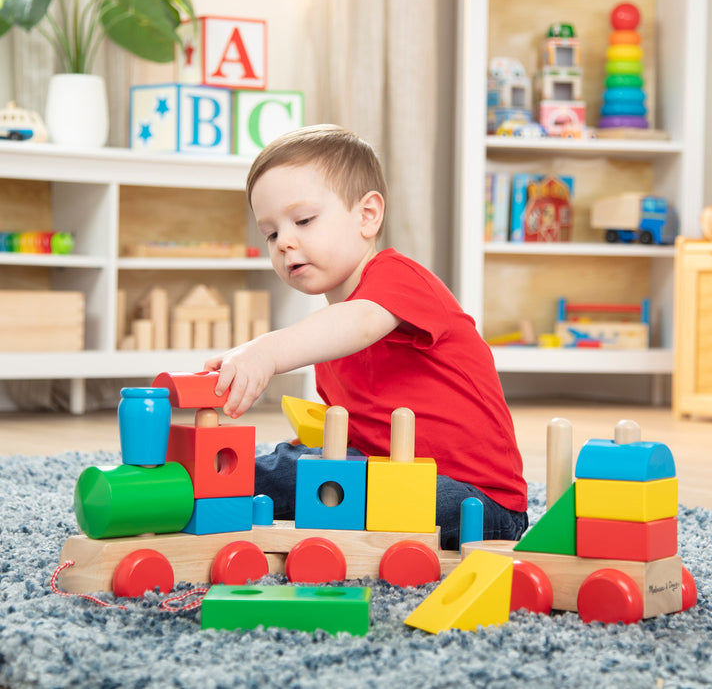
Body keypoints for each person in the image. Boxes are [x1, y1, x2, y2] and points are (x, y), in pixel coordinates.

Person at [205, 124, 528, 550]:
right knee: (285, 471)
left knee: (352, 492)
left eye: (303, 220)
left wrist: (266, 352)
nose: (284, 242)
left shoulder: (397, 281)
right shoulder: (332, 333)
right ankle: (189, 488)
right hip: (389, 470)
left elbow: (359, 322)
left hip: (480, 501)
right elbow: (360, 423)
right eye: (271, 232)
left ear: (367, 216)